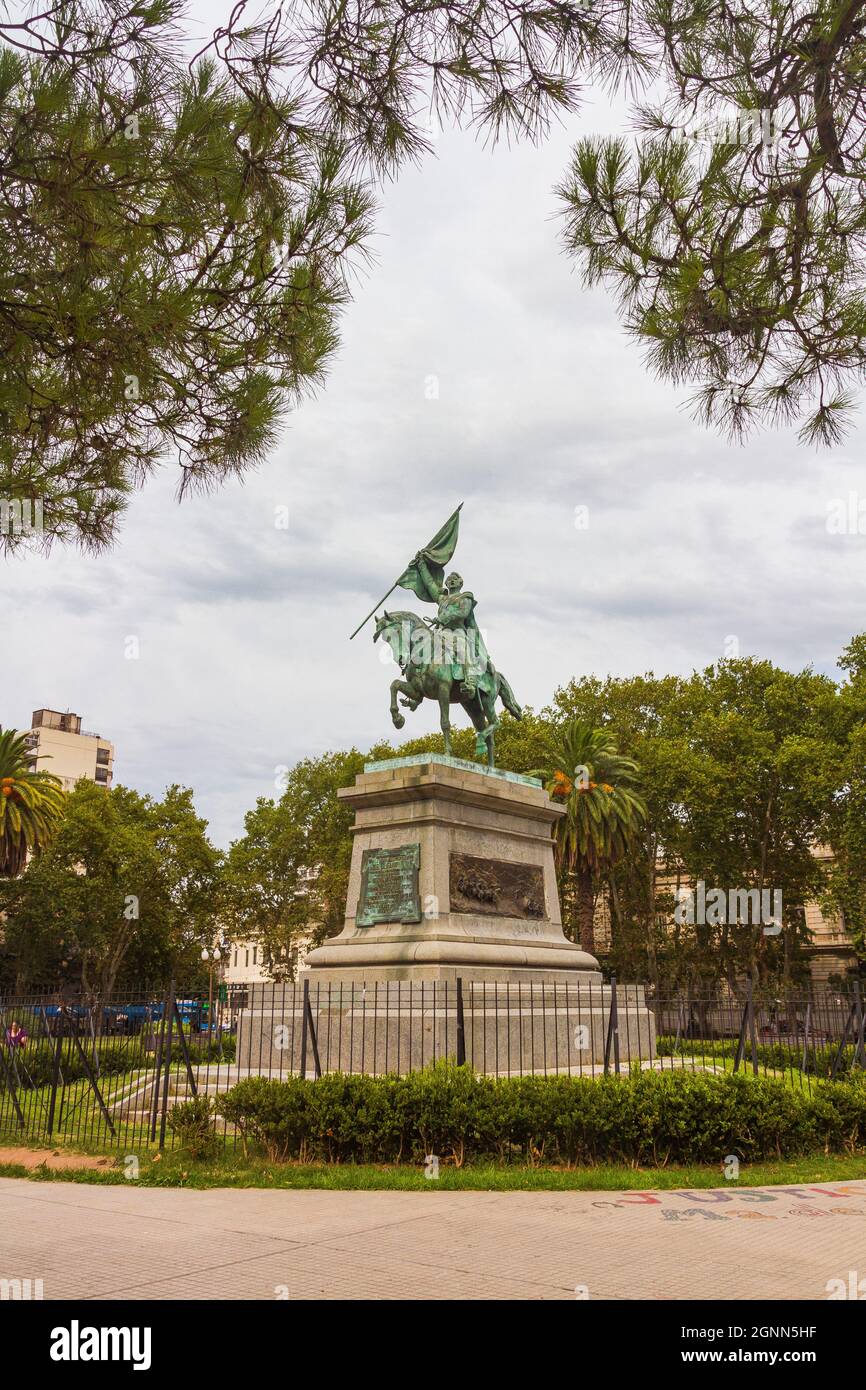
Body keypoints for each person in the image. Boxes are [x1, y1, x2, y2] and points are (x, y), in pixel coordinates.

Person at [412, 554, 494, 701]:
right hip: (441, 633)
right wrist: (421, 566)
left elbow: (463, 613)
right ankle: (418, 687)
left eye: (454, 579)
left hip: (459, 633)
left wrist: (443, 618)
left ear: (460, 583)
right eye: (448, 580)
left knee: (463, 649)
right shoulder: (443, 599)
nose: (450, 581)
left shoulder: (465, 598)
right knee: (423, 650)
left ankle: (470, 681)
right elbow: (430, 584)